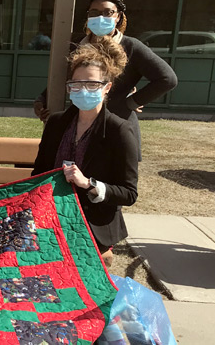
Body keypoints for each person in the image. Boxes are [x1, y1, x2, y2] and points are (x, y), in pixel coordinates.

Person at [32, 37, 138, 267]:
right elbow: (38, 173)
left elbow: (129, 193)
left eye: (91, 85)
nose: (82, 90)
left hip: (92, 222)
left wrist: (88, 184)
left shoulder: (118, 130)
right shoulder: (57, 123)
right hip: (50, 215)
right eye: (76, 84)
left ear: (107, 87)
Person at [33, 0, 178, 145]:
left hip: (117, 128)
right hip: (80, 126)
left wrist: (130, 103)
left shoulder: (131, 46)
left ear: (118, 16)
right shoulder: (77, 45)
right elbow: (66, 78)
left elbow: (167, 79)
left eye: (108, 12)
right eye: (94, 12)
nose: (100, 17)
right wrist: (43, 99)